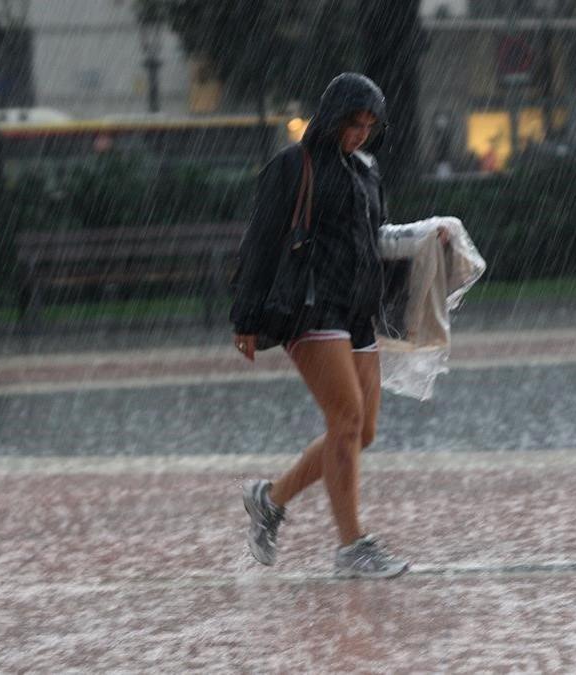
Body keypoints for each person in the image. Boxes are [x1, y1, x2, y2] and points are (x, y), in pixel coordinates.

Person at [230, 73, 409, 579]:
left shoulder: (367, 170)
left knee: (359, 431)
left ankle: (270, 499)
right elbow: (261, 240)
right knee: (347, 421)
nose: (361, 133)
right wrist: (245, 316)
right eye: (355, 122)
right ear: (333, 116)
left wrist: (428, 241)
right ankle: (353, 547)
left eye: (370, 125)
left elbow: (377, 237)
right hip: (310, 309)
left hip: (357, 312)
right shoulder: (294, 166)